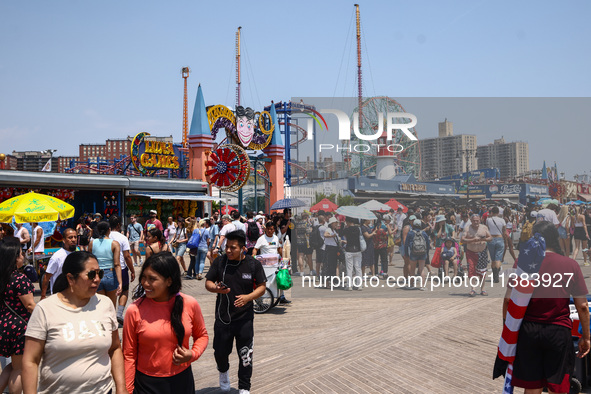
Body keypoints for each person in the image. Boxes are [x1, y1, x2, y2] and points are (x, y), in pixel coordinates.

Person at [497, 221, 590, 394]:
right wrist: (586, 336)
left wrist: (507, 329)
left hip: (528, 331)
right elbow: (583, 306)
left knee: (532, 387)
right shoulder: (570, 265)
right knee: (558, 387)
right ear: (555, 239)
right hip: (558, 332)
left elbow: (508, 300)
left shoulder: (522, 263)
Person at [22, 251, 126, 394]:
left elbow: (115, 348)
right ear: (71, 278)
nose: (97, 279)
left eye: (99, 273)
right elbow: (30, 361)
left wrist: (121, 388)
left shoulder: (105, 304)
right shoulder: (45, 309)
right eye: (91, 274)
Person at [123, 252, 209, 394]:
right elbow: (128, 355)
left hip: (182, 380)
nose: (145, 283)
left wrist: (193, 354)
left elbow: (202, 336)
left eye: (152, 279)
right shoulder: (134, 310)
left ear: (169, 281)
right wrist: (127, 389)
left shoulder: (189, 303)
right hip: (147, 384)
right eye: (143, 277)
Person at [205, 231, 267, 394]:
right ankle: (223, 372)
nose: (228, 251)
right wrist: (216, 288)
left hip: (244, 318)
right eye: (227, 247)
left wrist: (248, 297)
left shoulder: (253, 264)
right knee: (220, 353)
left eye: (233, 248)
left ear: (243, 249)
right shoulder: (220, 262)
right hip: (223, 318)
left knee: (245, 355)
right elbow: (208, 282)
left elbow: (262, 287)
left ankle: (244, 387)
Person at [0, 241, 35, 394]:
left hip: (4, 325)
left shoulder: (3, 277)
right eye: (21, 254)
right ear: (14, 258)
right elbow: (29, 305)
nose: (23, 257)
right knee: (19, 369)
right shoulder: (19, 278)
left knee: (13, 366)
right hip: (19, 328)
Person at [88, 221, 122, 307]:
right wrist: (120, 282)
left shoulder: (92, 243)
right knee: (111, 305)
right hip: (110, 275)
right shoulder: (114, 244)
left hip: (97, 274)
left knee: (100, 305)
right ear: (109, 230)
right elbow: (117, 264)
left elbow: (89, 261)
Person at [109, 215, 135, 325]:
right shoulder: (122, 237)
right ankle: (119, 313)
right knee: (124, 290)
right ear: (119, 225)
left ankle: (111, 317)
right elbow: (127, 256)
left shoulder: (104, 237)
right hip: (122, 267)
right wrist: (132, 270)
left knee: (110, 293)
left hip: (107, 269)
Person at [41, 228, 77, 299]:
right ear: (63, 240)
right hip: (58, 296)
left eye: (75, 237)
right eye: (70, 237)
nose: (73, 240)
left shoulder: (77, 255)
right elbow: (47, 276)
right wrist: (43, 295)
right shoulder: (57, 257)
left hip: (74, 295)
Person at [461, 214, 492, 297]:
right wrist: (472, 240)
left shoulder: (484, 227)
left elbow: (490, 238)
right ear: (471, 221)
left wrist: (484, 239)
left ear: (480, 220)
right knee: (471, 270)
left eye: (477, 220)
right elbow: (462, 239)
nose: (476, 222)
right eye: (474, 220)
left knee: (482, 272)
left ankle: (483, 289)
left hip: (482, 252)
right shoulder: (467, 228)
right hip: (471, 252)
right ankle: (473, 288)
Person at [404, 219, 431, 290]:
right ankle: (422, 286)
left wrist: (406, 253)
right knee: (421, 269)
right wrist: (427, 253)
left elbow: (406, 244)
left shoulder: (410, 233)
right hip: (423, 252)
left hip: (413, 253)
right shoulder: (424, 233)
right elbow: (428, 244)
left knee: (412, 269)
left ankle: (412, 285)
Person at [341, 217, 363, 291]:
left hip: (349, 250)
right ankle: (359, 285)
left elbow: (341, 234)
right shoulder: (358, 229)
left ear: (348, 222)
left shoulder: (347, 230)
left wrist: (343, 226)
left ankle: (349, 285)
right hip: (357, 249)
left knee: (349, 269)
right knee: (358, 268)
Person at [486, 206, 506, 283]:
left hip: (491, 239)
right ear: (498, 212)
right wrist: (505, 240)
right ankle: (496, 276)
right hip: (500, 238)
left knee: (493, 259)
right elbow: (504, 231)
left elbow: (487, 229)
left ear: (491, 212)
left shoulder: (488, 220)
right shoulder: (502, 220)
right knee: (498, 258)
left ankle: (494, 276)